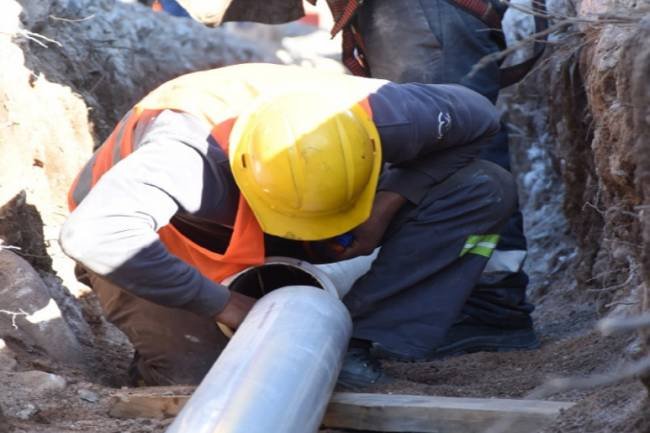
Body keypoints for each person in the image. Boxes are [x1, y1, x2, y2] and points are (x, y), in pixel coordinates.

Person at [60, 63, 517, 388]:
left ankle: (359, 339)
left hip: (267, 211)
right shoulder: (186, 157)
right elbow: (95, 234)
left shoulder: (387, 115)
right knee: (203, 382)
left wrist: (387, 202)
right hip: (160, 241)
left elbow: (480, 117)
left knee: (483, 187)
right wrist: (222, 304)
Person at [323, 0, 540, 361]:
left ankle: (491, 306)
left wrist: (383, 207)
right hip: (420, 13)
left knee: (446, 149)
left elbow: (470, 130)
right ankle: (490, 304)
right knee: (445, 145)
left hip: (421, 11)